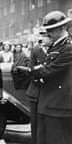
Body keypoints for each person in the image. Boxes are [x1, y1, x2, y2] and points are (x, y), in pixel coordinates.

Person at [18, 11, 72, 144]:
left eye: (51, 30)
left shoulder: (67, 48)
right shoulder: (56, 46)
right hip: (47, 102)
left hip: (58, 105)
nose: (48, 34)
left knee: (57, 139)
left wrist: (31, 70)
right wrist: (37, 70)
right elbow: (44, 68)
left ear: (62, 28)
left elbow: (48, 70)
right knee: (43, 138)